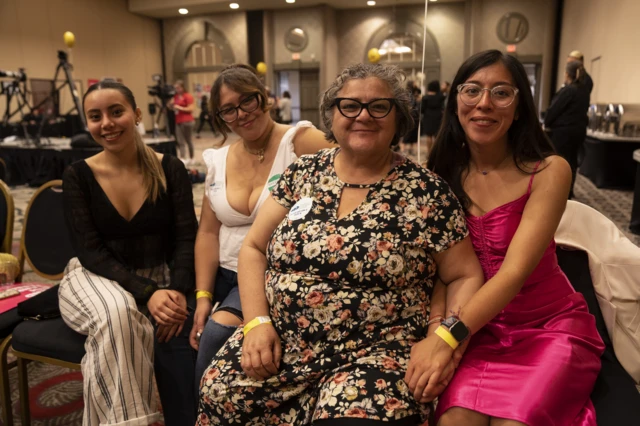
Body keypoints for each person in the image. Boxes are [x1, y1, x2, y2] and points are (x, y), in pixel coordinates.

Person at [197, 63, 486, 425]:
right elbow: (254, 248)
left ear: (399, 118)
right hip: (283, 344)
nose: (363, 116)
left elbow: (463, 275)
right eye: (350, 105)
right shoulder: (303, 173)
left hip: (373, 354)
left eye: (379, 106)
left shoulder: (426, 191)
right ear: (331, 115)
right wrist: (256, 322)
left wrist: (442, 339)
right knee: (220, 390)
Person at [427, 50, 604, 426]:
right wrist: (436, 330)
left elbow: (513, 274)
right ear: (456, 100)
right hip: (480, 330)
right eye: (472, 90)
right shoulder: (443, 172)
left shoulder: (549, 170)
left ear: (520, 106)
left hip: (548, 326)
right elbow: (441, 270)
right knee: (453, 422)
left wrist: (445, 339)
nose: (484, 104)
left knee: (516, 422)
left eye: (501, 93)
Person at [59, 81, 199, 426]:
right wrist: (149, 293)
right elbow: (90, 252)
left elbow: (186, 238)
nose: (106, 123)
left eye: (116, 111)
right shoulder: (79, 174)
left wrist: (178, 291)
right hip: (93, 276)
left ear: (136, 115)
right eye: (95, 116)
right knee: (119, 312)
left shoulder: (170, 168)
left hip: (161, 277)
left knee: (124, 327)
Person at [191, 64, 332, 384]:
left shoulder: (300, 140)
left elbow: (353, 166)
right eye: (228, 110)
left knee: (216, 335)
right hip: (222, 276)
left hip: (270, 273)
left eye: (247, 101)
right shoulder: (218, 158)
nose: (241, 114)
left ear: (264, 98)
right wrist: (202, 295)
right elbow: (208, 232)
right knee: (183, 331)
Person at [544, 60, 590, 199]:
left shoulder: (568, 90)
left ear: (567, 74)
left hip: (564, 133)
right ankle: (568, 190)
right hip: (579, 131)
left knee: (560, 161)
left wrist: (546, 122)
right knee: (572, 161)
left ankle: (558, 190)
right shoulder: (584, 91)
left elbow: (554, 110)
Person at [170, 79, 196, 164]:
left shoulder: (188, 96)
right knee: (180, 141)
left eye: (178, 88)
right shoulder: (176, 97)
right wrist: (171, 105)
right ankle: (183, 158)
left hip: (187, 121)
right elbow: (170, 106)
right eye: (175, 88)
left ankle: (192, 158)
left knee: (188, 140)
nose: (177, 90)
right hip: (178, 121)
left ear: (182, 87)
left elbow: (191, 108)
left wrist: (179, 108)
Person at [421, 80, 445, 153]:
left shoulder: (425, 97)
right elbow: (443, 107)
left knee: (429, 136)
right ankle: (436, 152)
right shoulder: (441, 97)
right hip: (438, 116)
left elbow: (422, 109)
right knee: (437, 136)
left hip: (428, 116)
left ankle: (429, 152)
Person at [402, 86, 421, 156]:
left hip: (415, 118)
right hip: (410, 117)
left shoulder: (415, 98)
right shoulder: (410, 98)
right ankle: (403, 149)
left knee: (413, 135)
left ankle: (411, 149)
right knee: (407, 134)